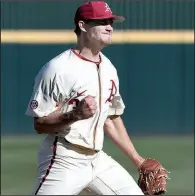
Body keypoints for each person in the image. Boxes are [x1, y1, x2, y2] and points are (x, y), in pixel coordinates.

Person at [26, 1, 145, 195]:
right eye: (102, 21)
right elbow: (40, 124)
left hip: (98, 160)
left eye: (111, 22)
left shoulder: (109, 69)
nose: (109, 26)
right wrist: (74, 115)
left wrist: (138, 160)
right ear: (82, 26)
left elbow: (112, 118)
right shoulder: (57, 69)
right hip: (64, 159)